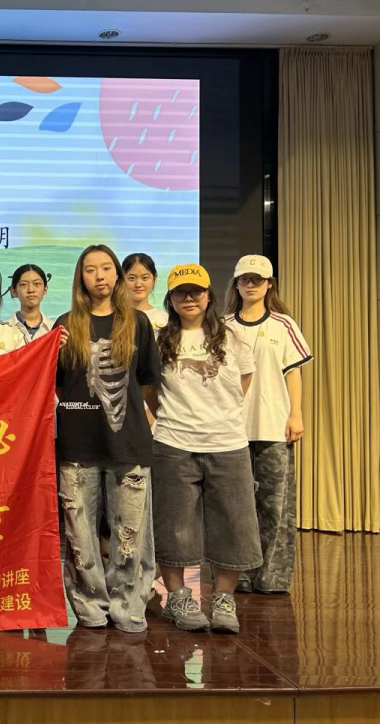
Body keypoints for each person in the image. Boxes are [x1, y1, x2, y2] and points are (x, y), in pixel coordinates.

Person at [147, 263, 261, 634]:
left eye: (196, 291)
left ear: (208, 295)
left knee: (234, 523)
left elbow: (244, 380)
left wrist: (218, 417)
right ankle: (178, 597)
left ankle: (223, 598)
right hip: (174, 443)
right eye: (181, 292)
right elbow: (150, 391)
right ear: (170, 299)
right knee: (174, 524)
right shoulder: (159, 340)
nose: (189, 298)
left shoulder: (232, 336)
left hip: (228, 444)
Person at [53, 245, 159, 633]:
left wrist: (135, 421)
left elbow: (147, 381)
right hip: (77, 443)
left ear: (116, 274)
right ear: (80, 277)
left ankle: (128, 603)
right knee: (79, 534)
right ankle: (89, 605)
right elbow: (59, 385)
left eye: (106, 268)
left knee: (130, 533)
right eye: (90, 269)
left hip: (128, 444)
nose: (99, 275)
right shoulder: (65, 325)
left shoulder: (138, 323)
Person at [225, 254, 312, 594]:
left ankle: (272, 578)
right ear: (236, 284)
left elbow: (294, 373)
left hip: (274, 426)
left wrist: (296, 414)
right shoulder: (223, 326)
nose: (251, 285)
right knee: (236, 507)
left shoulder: (283, 324)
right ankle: (240, 575)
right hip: (231, 430)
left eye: (257, 280)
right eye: (244, 279)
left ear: (269, 285)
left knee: (275, 506)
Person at [122, 253, 169, 333]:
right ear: (122, 280)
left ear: (154, 279)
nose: (138, 284)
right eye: (132, 278)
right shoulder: (114, 317)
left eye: (145, 278)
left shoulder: (165, 320)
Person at [7, 264, 54, 340]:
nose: (31, 290)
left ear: (45, 289)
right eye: (23, 284)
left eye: (37, 284)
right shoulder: (3, 329)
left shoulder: (54, 329)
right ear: (14, 291)